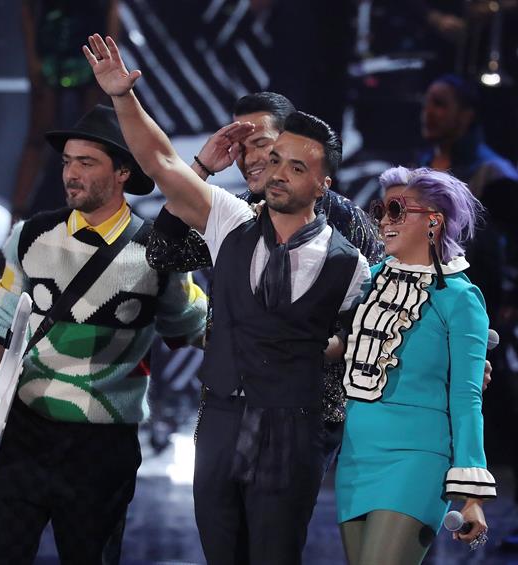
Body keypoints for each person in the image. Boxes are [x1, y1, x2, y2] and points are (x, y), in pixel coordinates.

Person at [83, 33, 370, 563]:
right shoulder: (232, 218)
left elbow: (379, 333)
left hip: (298, 423)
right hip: (222, 417)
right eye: (270, 158)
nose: (273, 169)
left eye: (293, 164)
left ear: (323, 182)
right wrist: (123, 97)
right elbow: (163, 167)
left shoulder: (350, 258)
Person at [0, 103, 207, 565]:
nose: (71, 173)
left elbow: (194, 324)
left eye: (86, 163)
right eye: (67, 162)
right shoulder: (30, 236)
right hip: (25, 433)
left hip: (102, 444)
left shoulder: (157, 250)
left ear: (123, 173)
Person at [146, 91, 382, 466]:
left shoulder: (345, 220)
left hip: (307, 413)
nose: (250, 158)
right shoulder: (234, 214)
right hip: (228, 408)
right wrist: (202, 168)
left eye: (261, 144)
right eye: (240, 148)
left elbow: (378, 307)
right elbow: (164, 253)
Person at [420, 73, 518, 551]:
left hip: (479, 311)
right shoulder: (425, 169)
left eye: (440, 104)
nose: (429, 112)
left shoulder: (492, 174)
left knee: (497, 408)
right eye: (428, 104)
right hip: (429, 310)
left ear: (465, 114)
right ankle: (429, 510)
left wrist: (517, 302)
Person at [336, 166, 496, 564]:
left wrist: (472, 494)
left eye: (396, 211)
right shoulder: (368, 283)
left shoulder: (460, 298)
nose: (384, 222)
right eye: (382, 210)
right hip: (356, 455)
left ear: (434, 222)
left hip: (417, 459)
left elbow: (467, 397)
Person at [10, 0, 119, 219]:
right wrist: (31, 58)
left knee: (95, 135)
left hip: (90, 45)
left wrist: (111, 57)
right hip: (50, 47)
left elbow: (113, 7)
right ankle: (17, 212)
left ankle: (98, 205)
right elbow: (27, 10)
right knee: (39, 133)